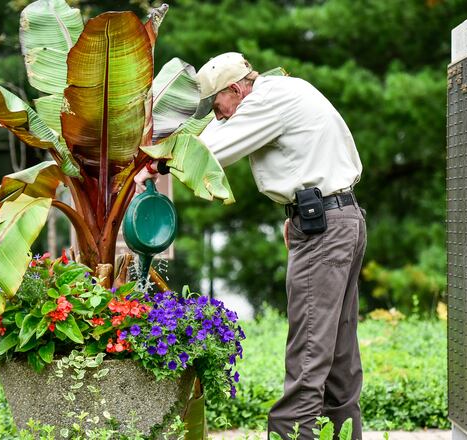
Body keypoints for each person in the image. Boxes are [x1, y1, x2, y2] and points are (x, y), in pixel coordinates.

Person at [134, 52, 366, 439]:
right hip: (341, 219)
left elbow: (208, 154)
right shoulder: (289, 89)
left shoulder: (264, 101)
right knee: (339, 353)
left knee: (309, 349)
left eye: (216, 103)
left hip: (324, 231)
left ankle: (292, 433)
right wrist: (294, 215)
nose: (217, 113)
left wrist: (151, 165)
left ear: (236, 88)